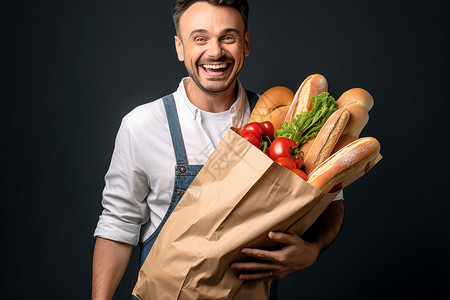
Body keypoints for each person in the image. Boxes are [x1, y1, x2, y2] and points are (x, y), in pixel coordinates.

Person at [91, 1, 344, 299]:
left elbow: (331, 198)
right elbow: (119, 224)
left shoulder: (283, 124)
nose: (215, 52)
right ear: (180, 47)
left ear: (245, 44)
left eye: (228, 37)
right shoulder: (142, 125)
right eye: (200, 38)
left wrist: (313, 249)